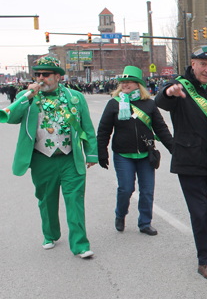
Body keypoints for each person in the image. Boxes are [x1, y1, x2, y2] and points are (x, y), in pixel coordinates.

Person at [2, 56, 97, 258]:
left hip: (70, 157)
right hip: (41, 158)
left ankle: (80, 244)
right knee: (46, 200)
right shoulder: (27, 97)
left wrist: (91, 153)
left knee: (75, 200)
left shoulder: (75, 97)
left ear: (57, 77)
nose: (41, 78)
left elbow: (87, 128)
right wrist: (28, 96)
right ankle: (50, 234)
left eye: (45, 75)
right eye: (38, 74)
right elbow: (10, 117)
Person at [155, 46, 207, 281]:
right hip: (190, 160)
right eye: (203, 64)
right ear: (193, 64)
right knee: (198, 212)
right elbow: (162, 100)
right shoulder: (180, 85)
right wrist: (170, 92)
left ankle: (204, 230)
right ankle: (205, 261)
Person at [97, 66, 174, 236]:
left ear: (138, 85)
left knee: (147, 190)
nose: (124, 84)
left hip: (146, 154)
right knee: (125, 188)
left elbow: (161, 128)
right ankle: (120, 214)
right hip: (123, 155)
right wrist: (101, 152)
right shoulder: (114, 104)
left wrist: (174, 149)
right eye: (122, 82)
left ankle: (145, 223)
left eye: (129, 82)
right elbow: (103, 130)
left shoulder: (149, 104)